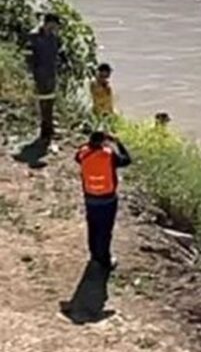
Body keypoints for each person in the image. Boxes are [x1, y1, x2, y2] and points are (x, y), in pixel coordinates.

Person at [75, 131, 131, 270]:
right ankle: (105, 260)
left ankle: (94, 255)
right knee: (105, 231)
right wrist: (117, 142)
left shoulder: (82, 154)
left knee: (93, 227)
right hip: (107, 199)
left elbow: (78, 154)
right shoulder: (109, 155)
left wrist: (91, 142)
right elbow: (127, 160)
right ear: (103, 143)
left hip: (90, 198)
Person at [26, 13, 64, 141]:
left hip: (51, 72)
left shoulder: (53, 37)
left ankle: (49, 127)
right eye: (55, 24)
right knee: (43, 102)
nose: (56, 28)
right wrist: (32, 74)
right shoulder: (34, 36)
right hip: (40, 74)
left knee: (50, 101)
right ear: (49, 23)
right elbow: (28, 56)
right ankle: (45, 129)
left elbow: (57, 54)